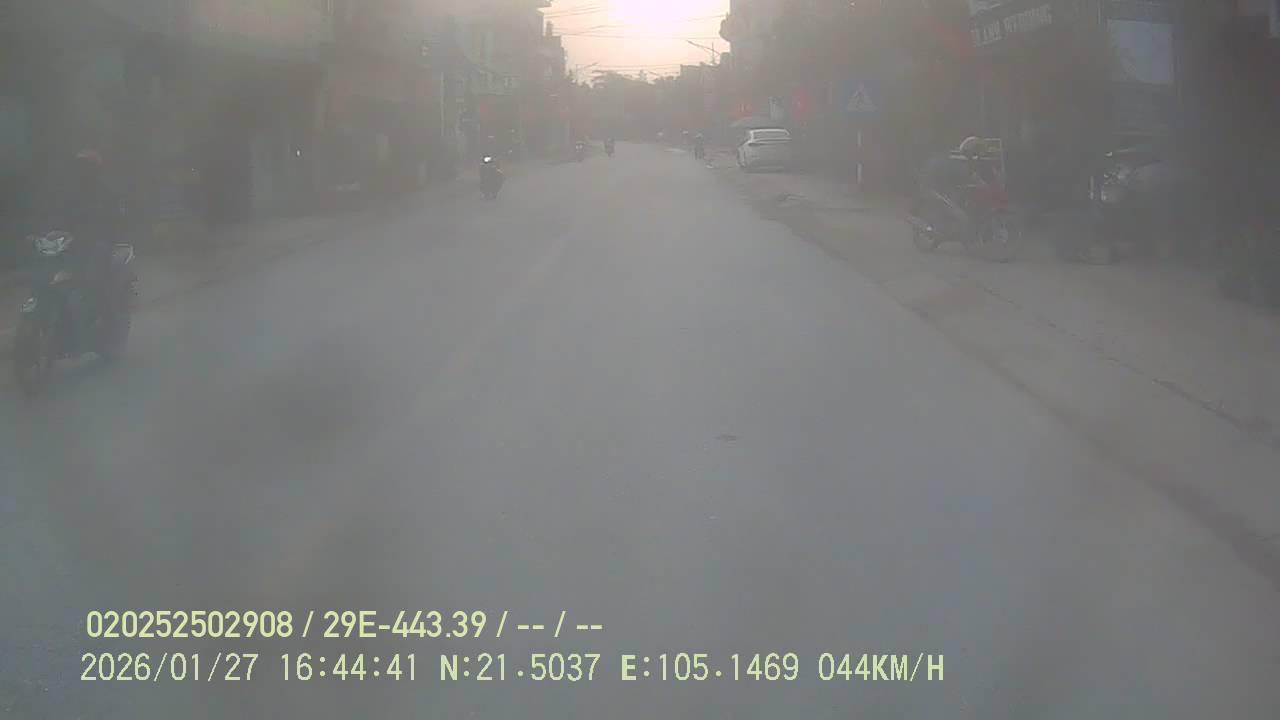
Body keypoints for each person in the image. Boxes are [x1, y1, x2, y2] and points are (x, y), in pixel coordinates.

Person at [63, 149, 126, 346]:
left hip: (101, 244)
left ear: (95, 169)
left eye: (86, 167)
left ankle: (102, 323)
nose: (82, 171)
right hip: (75, 244)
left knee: (92, 280)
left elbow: (116, 219)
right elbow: (58, 216)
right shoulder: (71, 193)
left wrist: (100, 232)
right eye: (79, 167)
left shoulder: (106, 192)